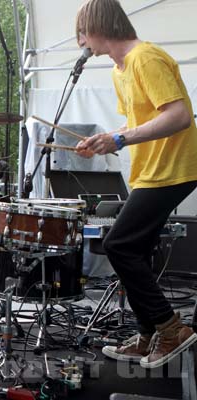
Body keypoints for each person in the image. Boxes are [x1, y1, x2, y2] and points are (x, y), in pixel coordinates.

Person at [75, 0, 197, 369]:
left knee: (119, 245)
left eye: (82, 32)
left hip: (174, 167)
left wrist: (120, 140)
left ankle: (171, 327)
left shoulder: (146, 57)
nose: (80, 42)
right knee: (137, 250)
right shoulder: (119, 70)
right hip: (150, 170)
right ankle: (149, 334)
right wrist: (107, 138)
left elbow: (179, 116)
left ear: (98, 26)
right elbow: (137, 125)